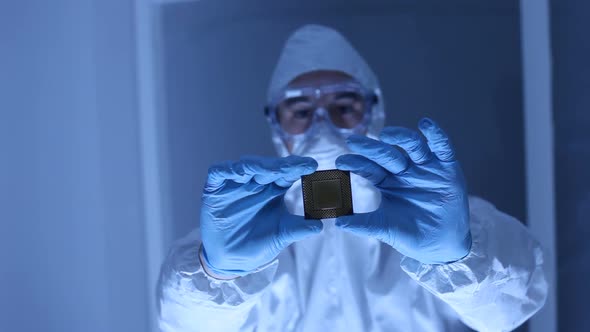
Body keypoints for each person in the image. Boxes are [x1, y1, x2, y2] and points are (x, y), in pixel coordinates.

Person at [157, 24, 548, 332]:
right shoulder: (243, 229)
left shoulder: (435, 213)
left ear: (373, 111)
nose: (322, 128)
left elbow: (508, 312)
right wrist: (216, 274)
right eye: (300, 110)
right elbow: (184, 325)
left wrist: (460, 255)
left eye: (344, 106)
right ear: (276, 125)